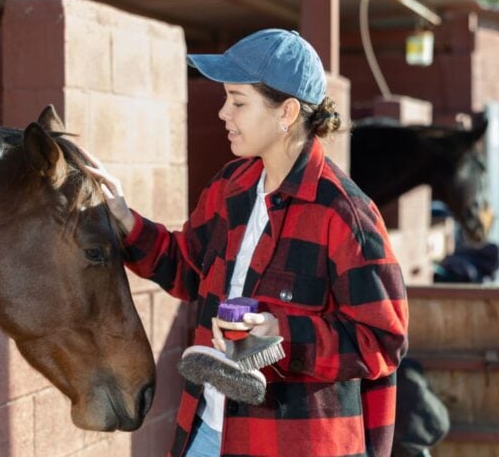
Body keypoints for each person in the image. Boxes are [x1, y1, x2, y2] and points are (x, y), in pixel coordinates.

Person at [85, 28, 408, 457]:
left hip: (293, 444)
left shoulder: (344, 213)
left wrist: (281, 336)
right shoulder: (230, 188)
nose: (223, 113)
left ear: (287, 112)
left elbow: (381, 340)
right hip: (206, 430)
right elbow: (187, 270)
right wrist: (126, 221)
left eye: (238, 101)